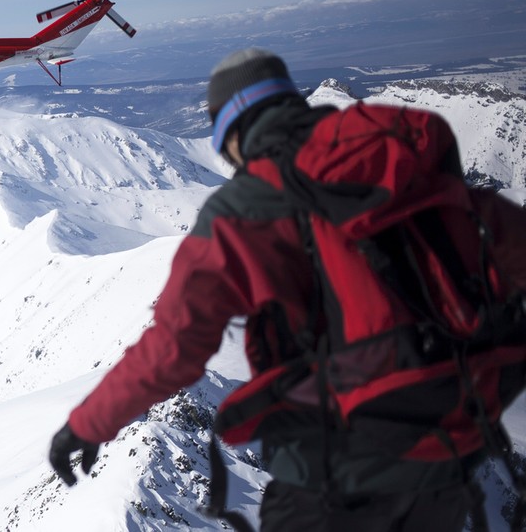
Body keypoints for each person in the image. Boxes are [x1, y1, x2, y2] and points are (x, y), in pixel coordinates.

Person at [48, 48, 526, 531]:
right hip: (447, 452)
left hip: (332, 471)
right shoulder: (408, 163)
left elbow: (175, 346)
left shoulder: (242, 211)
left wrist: (89, 424)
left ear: (233, 133)